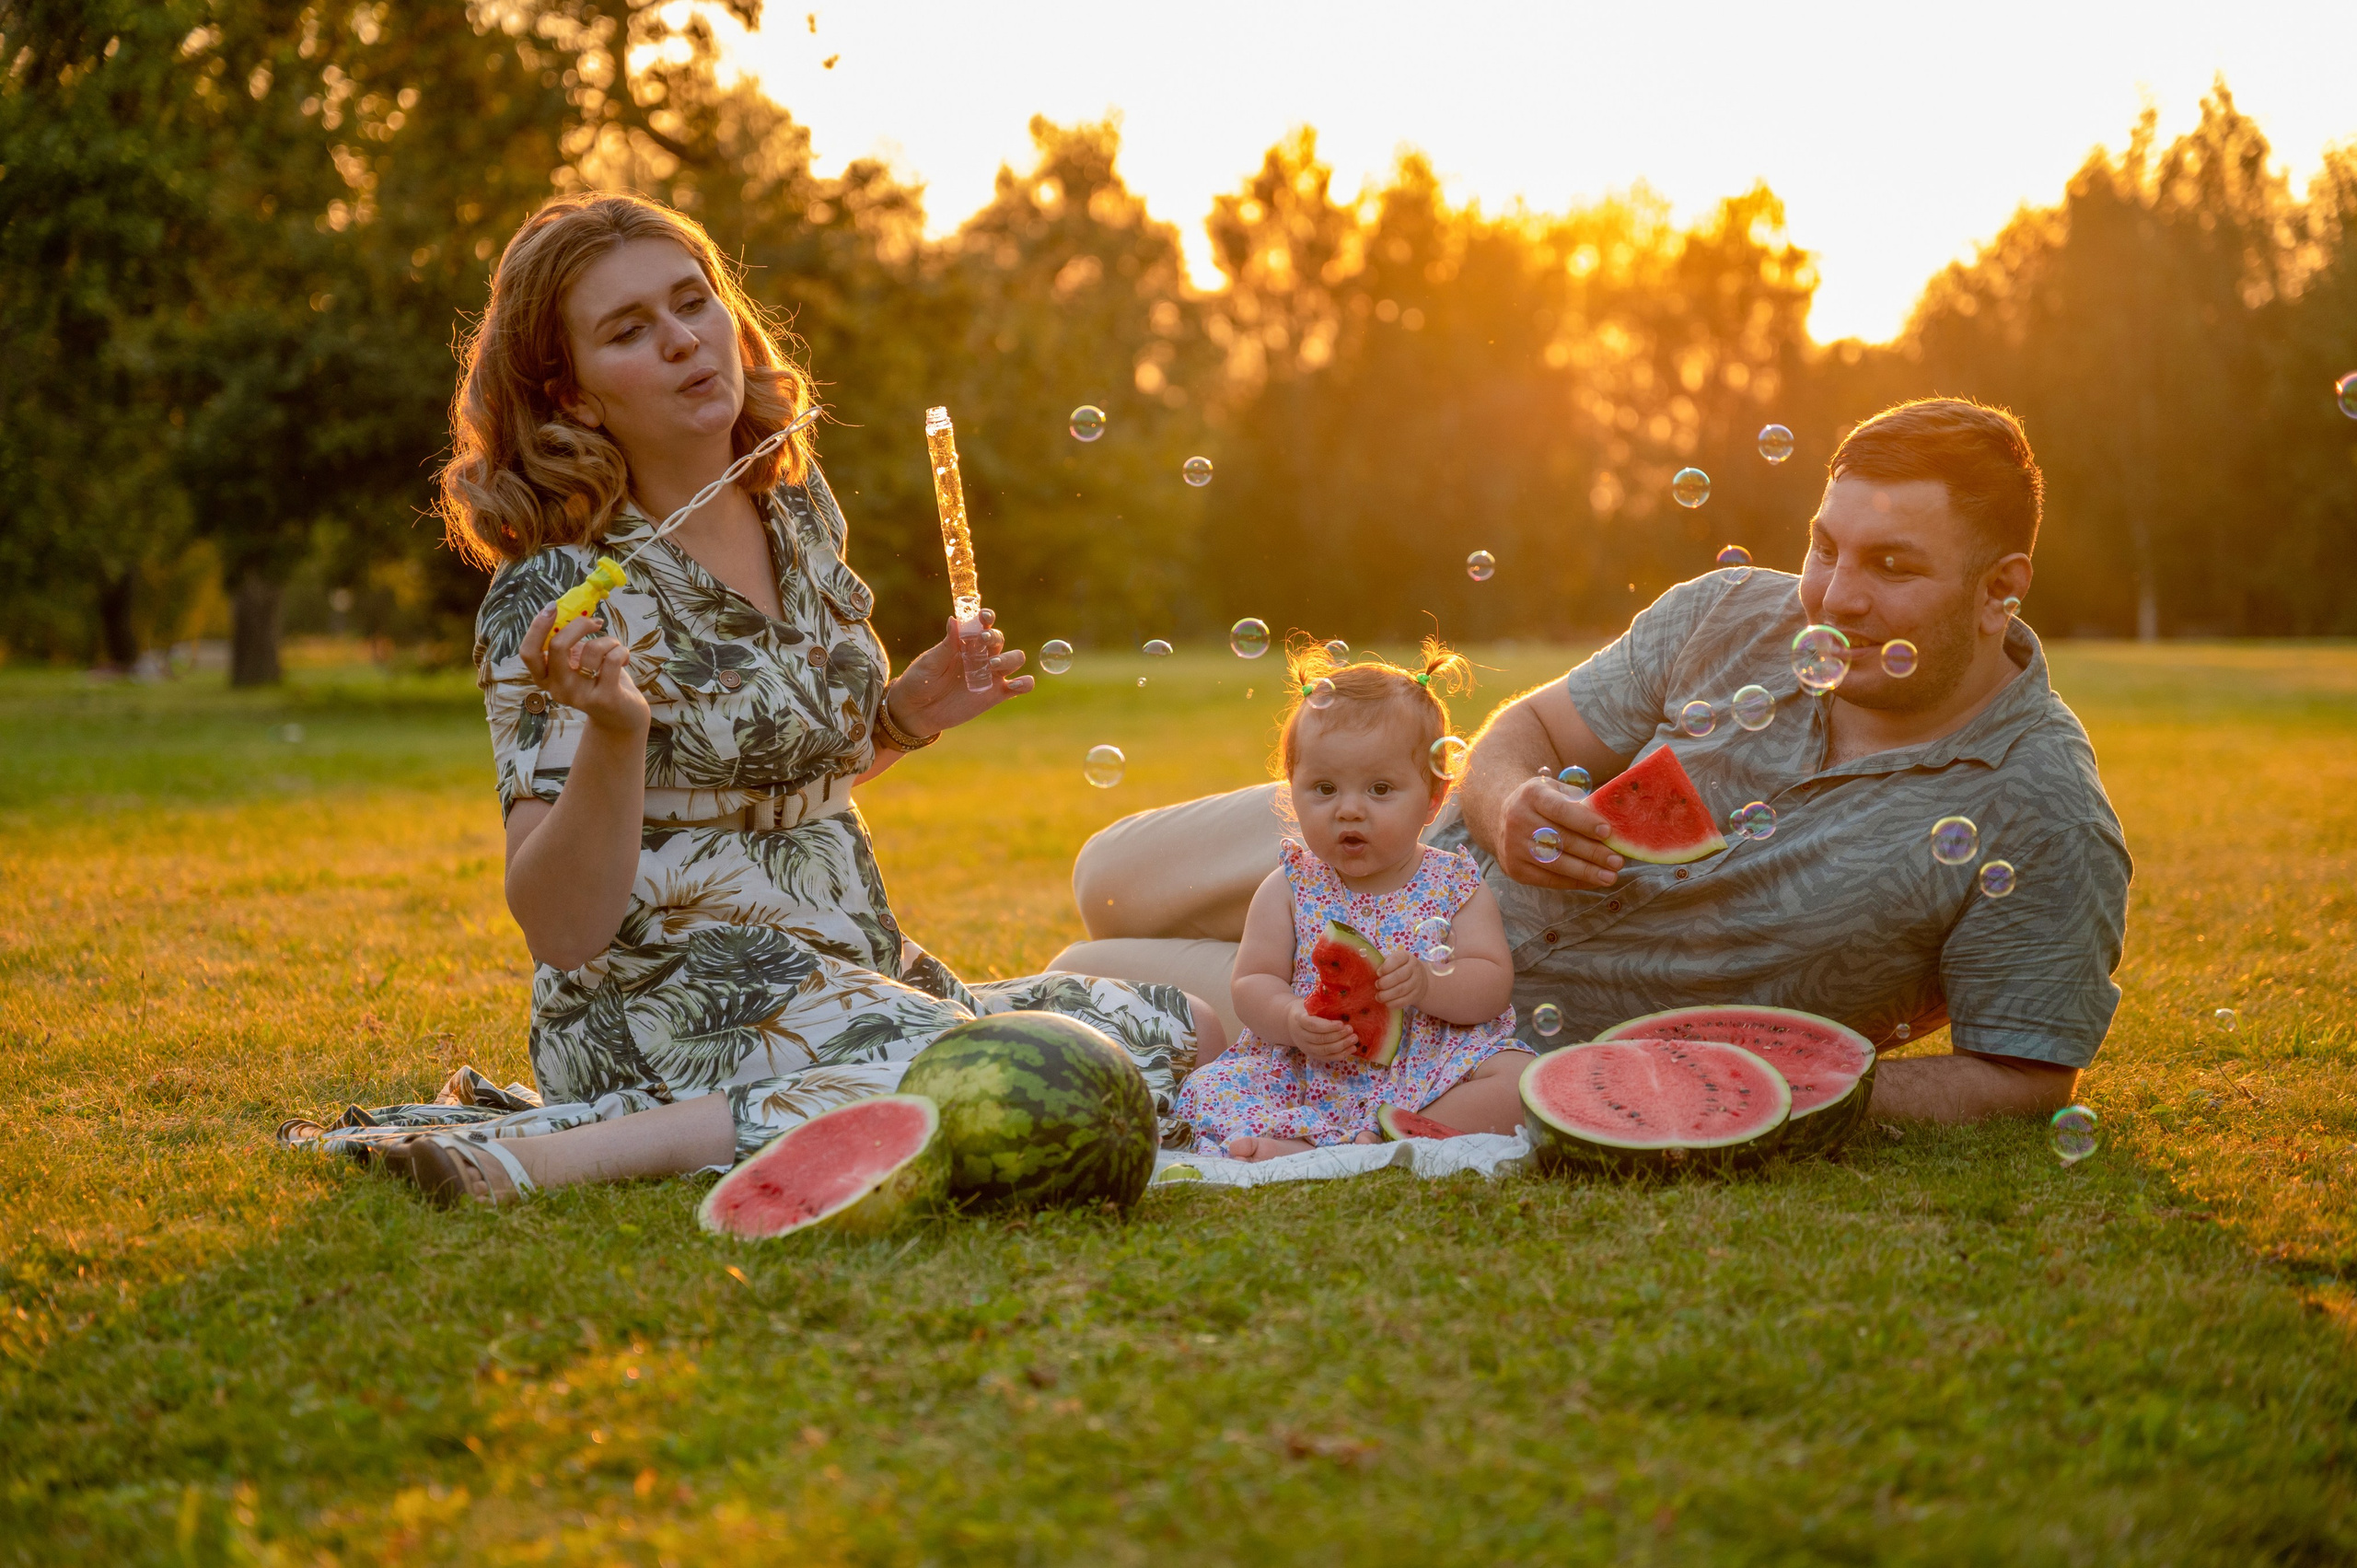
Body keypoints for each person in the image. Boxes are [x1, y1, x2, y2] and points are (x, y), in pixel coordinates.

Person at [283, 192, 1221, 1204]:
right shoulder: (558, 593)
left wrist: (904, 715)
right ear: (578, 395)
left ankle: (706, 1118)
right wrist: (614, 729)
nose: (684, 340)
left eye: (693, 302)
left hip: (841, 961)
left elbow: (765, 787)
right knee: (980, 1073)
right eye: (629, 331)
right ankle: (535, 1160)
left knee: (1174, 1030)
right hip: (664, 999)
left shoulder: (795, 508)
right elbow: (560, 925)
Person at [1053, 399, 2131, 1125]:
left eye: (1891, 566)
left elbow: (2024, 1073)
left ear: (2001, 589)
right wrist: (1508, 794)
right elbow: (1530, 729)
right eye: (1824, 544)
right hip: (1408, 840)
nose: (1836, 595)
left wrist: (1771, 1085)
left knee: (1074, 980)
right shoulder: (1729, 615)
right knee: (1106, 878)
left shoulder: (2038, 805)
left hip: (1459, 1031)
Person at [1174, 643, 1525, 1161]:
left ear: (1432, 798)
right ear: (1291, 791)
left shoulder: (1454, 882)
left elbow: (1492, 981)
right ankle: (1307, 1141)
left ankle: (1383, 1136)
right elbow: (1252, 981)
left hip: (1429, 1069)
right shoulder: (1290, 886)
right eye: (1324, 788)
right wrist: (1292, 1017)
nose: (1350, 810)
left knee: (1518, 1081)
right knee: (1206, 1091)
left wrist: (1431, 984)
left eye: (1380, 789)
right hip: (1308, 1071)